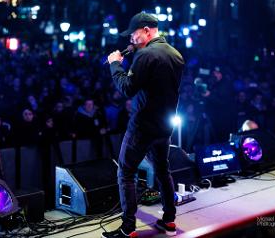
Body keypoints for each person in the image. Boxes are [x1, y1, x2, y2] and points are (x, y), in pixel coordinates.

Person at [103, 12, 185, 238]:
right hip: (165, 126)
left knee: (126, 172)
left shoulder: (146, 56)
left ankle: (128, 228)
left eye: (133, 33)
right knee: (162, 170)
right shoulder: (175, 53)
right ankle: (169, 220)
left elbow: (127, 88)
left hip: (142, 127)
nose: (130, 38)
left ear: (147, 30)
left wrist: (115, 65)